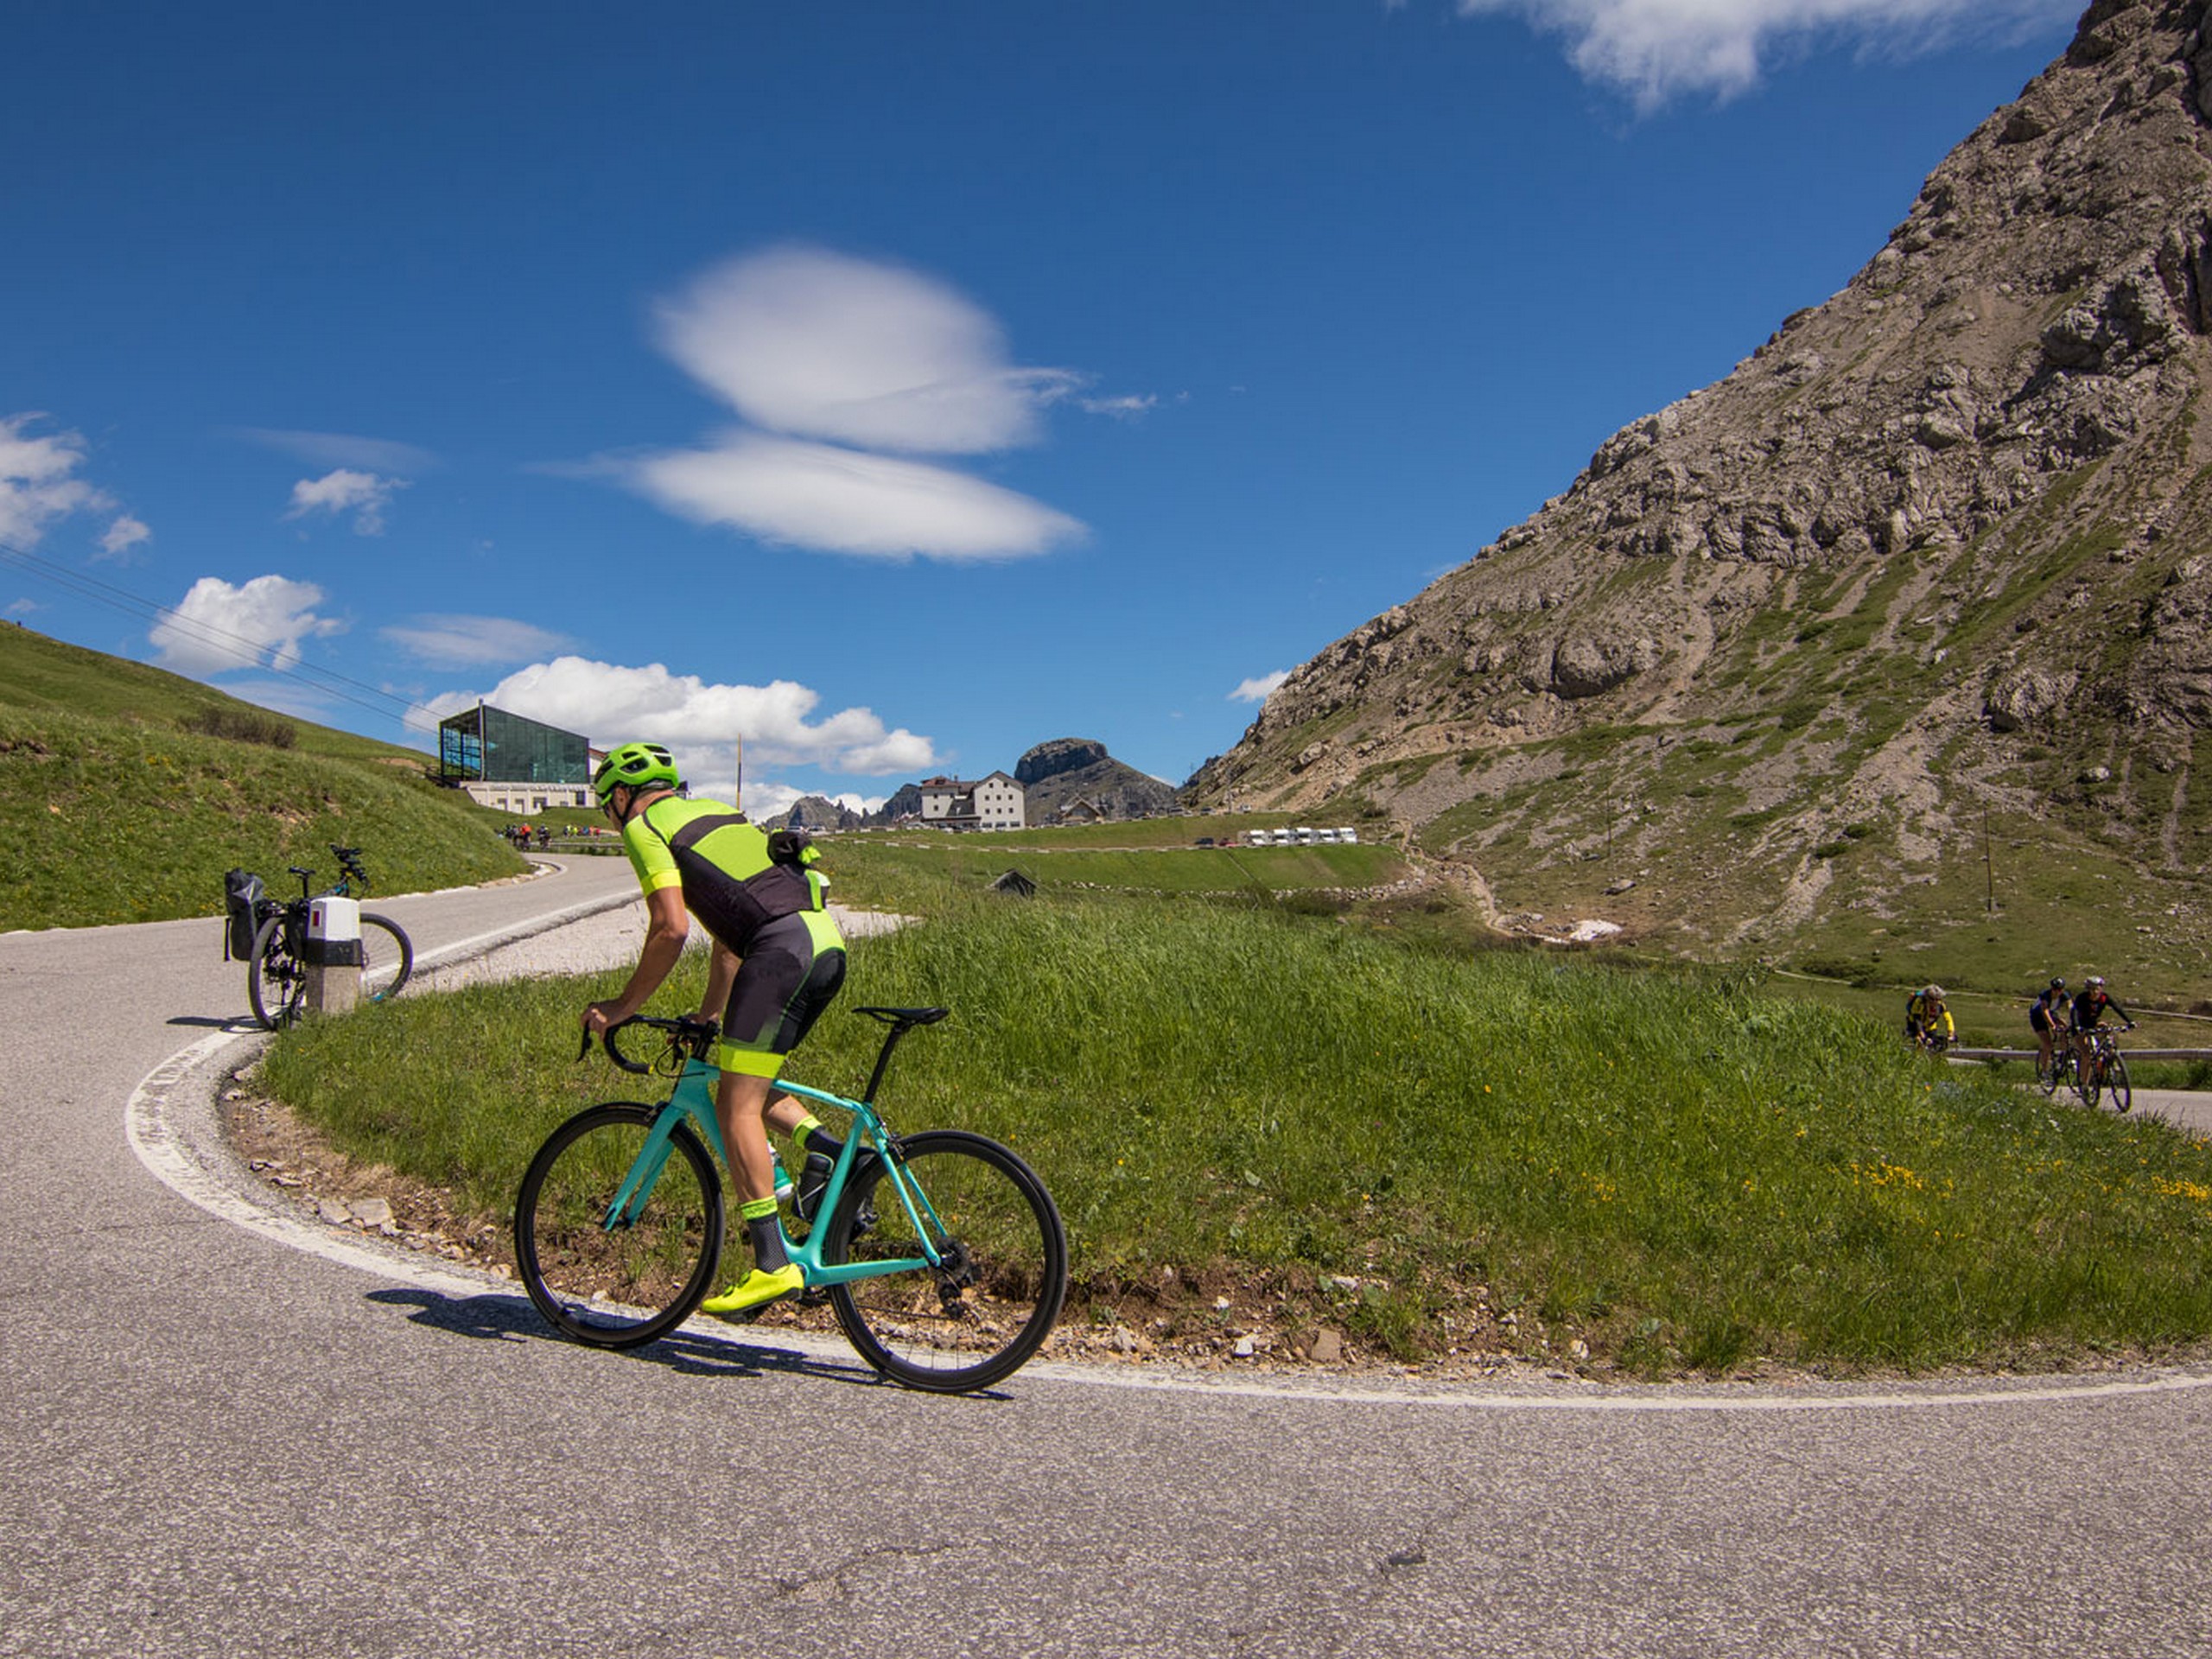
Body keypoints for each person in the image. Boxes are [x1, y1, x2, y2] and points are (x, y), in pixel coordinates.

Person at [582, 741, 848, 1317]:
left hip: (779, 954)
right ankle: (829, 1152)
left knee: (735, 1107)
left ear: (621, 796)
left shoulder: (645, 825)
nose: (610, 814)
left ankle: (772, 1266)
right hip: (823, 945)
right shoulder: (717, 817)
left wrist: (622, 1006)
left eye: (607, 804)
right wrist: (706, 1015)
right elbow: (730, 940)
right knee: (743, 1077)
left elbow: (671, 929)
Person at [2069, 975, 2134, 1079]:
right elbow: (2075, 1012)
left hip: (2094, 1023)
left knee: (2109, 1031)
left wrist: (2130, 1021)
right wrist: (2077, 1026)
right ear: (2088, 989)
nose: (2095, 992)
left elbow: (2117, 1008)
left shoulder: (2104, 997)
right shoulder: (2082, 998)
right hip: (2080, 1026)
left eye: (2097, 989)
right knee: (2087, 1054)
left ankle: (2113, 1059)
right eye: (2092, 989)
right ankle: (2084, 1085)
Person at [2029, 977, 2069, 1080]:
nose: (2057, 992)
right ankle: (2044, 1071)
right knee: (2048, 1044)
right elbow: (2045, 1011)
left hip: (2052, 1014)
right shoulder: (2045, 995)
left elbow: (2071, 1007)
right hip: (2038, 1017)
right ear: (2052, 988)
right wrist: (2053, 1026)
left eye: (2060, 990)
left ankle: (2063, 1056)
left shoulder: (2064, 995)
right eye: (2055, 989)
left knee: (2066, 1028)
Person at [1904, 983, 1953, 1051]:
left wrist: (1951, 1033)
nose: (1935, 1002)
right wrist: (1921, 1033)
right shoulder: (1919, 1002)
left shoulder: (1941, 1005)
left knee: (1935, 1045)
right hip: (1914, 1025)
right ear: (1927, 997)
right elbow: (1917, 1019)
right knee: (1919, 1043)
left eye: (1938, 999)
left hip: (1931, 1026)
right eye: (1932, 999)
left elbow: (1948, 1019)